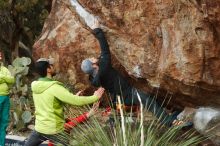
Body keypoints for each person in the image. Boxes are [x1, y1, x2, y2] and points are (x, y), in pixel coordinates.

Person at [81, 19, 181, 127]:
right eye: (91, 59)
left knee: (150, 97)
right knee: (148, 102)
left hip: (119, 97)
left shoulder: (94, 77)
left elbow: (101, 59)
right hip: (128, 93)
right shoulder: (103, 68)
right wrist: (97, 30)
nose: (92, 57)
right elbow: (105, 50)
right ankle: (170, 122)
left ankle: (169, 114)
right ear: (93, 65)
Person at [24, 58, 104, 146]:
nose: (53, 66)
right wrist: (95, 97)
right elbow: (77, 101)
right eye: (51, 65)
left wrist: (71, 97)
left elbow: (50, 102)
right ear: (48, 69)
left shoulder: (35, 86)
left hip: (40, 129)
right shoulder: (55, 87)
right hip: (55, 131)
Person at [0, 50, 15, 146]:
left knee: (4, 122)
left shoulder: (4, 69)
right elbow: (8, 79)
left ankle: (1, 143)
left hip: (5, 97)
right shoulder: (5, 71)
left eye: (0, 58)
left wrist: (2, 77)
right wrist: (6, 78)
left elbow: (12, 80)